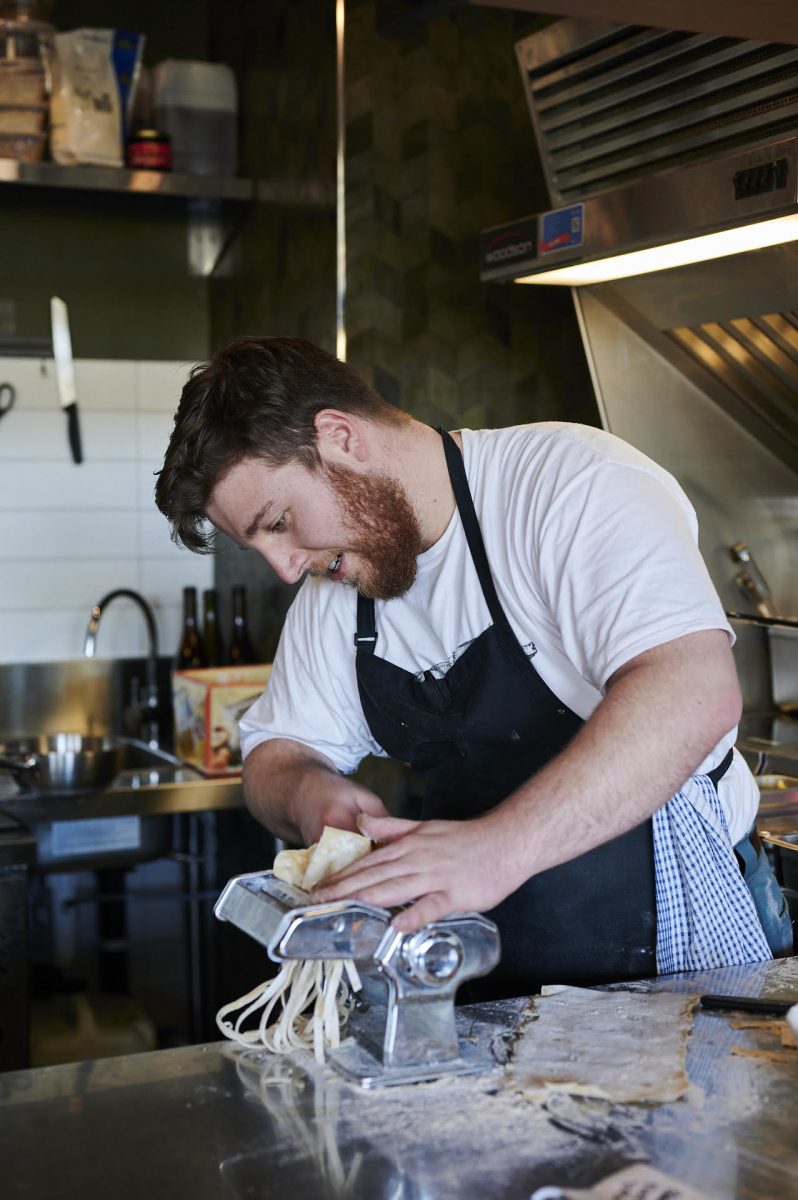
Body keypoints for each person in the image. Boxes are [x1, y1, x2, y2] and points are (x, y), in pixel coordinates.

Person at [155, 335, 792, 1000]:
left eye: (280, 521)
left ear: (341, 437)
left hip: (675, 931)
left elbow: (692, 690)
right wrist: (310, 796)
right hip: (479, 962)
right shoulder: (335, 591)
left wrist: (497, 850)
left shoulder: (570, 485)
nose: (285, 567)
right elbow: (273, 755)